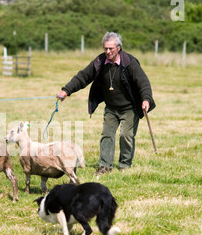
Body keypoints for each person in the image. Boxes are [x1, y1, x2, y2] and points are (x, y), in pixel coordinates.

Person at [56, 31, 155, 175]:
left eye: (111, 49)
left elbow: (143, 83)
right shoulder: (100, 62)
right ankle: (105, 166)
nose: (108, 52)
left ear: (119, 48)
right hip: (111, 107)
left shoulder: (130, 63)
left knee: (126, 136)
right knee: (107, 135)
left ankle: (125, 165)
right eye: (105, 48)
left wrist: (146, 99)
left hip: (130, 108)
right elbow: (83, 76)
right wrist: (66, 91)